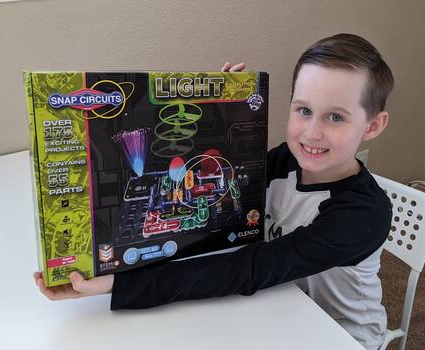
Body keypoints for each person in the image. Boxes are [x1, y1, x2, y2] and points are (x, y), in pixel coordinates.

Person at [34, 33, 394, 350]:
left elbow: (249, 268)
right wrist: (223, 108)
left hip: (340, 333)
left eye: (336, 117)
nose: (311, 133)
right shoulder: (288, 158)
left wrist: (118, 286)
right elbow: (223, 180)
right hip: (279, 303)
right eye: (303, 110)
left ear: (373, 125)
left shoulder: (363, 216)